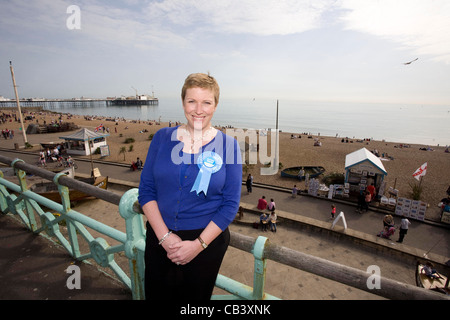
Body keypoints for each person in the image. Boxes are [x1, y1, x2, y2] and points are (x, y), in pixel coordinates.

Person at [138, 73, 242, 300]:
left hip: (205, 244)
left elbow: (230, 204)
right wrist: (164, 237)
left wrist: (197, 245)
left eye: (206, 102)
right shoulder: (162, 138)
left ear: (215, 105)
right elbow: (146, 190)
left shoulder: (229, 146)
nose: (198, 109)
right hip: (159, 236)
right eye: (191, 101)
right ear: (183, 102)